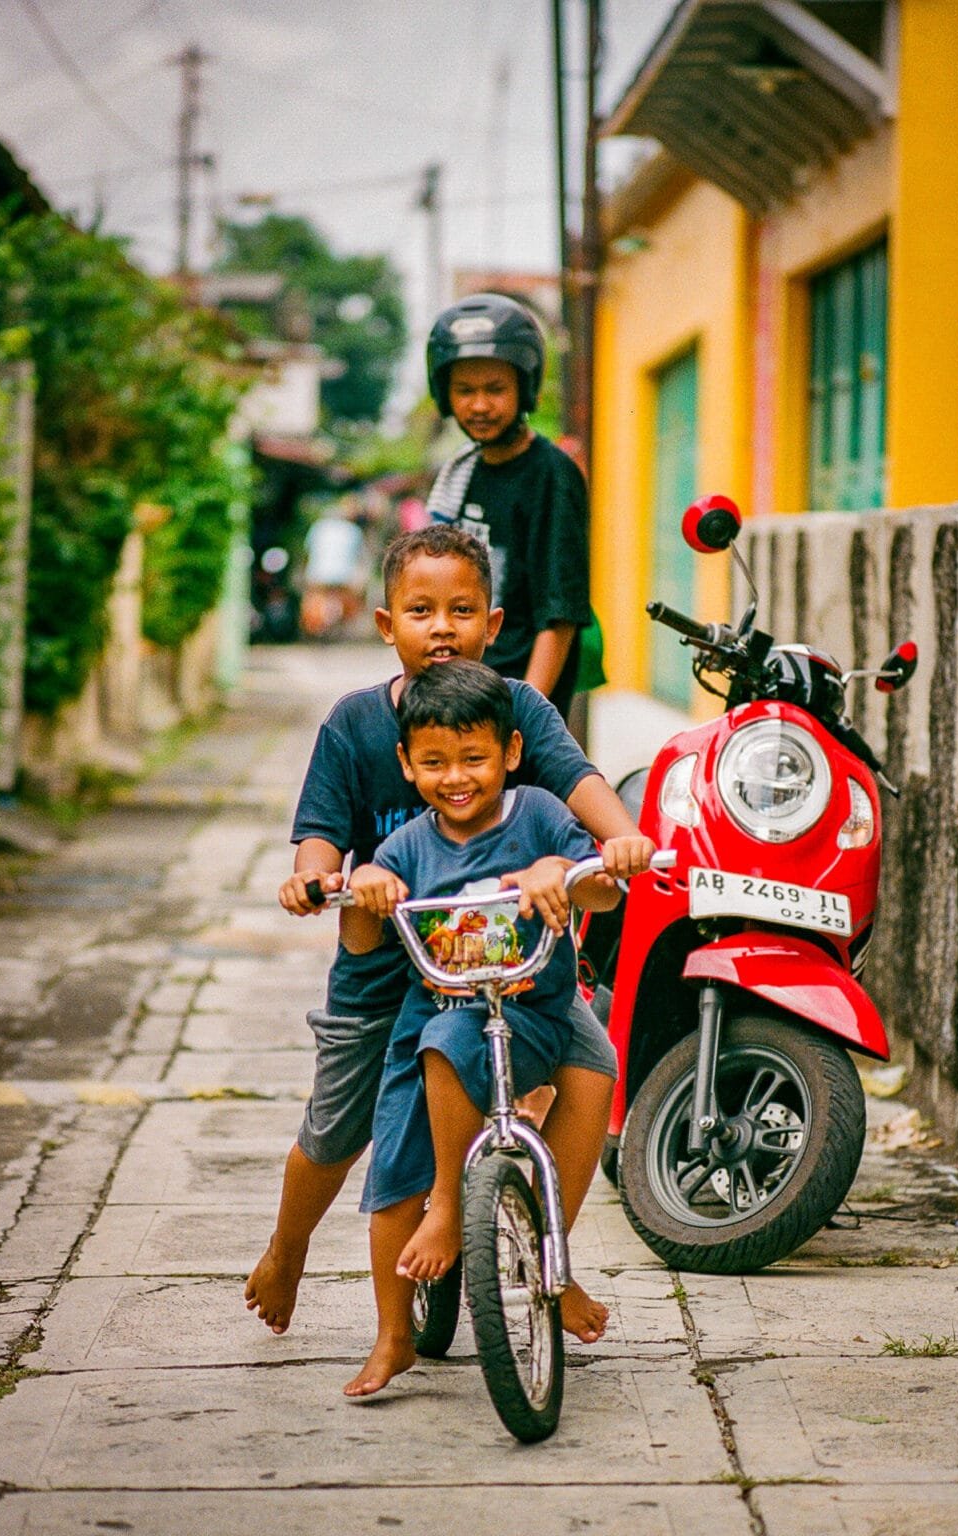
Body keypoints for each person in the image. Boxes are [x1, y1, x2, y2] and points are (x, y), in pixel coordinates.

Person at [244, 524, 655, 1342]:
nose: (442, 627)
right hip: (387, 959)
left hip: (504, 960)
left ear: (491, 626)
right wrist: (316, 877)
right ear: (386, 624)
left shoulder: (519, 710)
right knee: (338, 1124)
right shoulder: (358, 725)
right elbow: (322, 830)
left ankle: (552, 1260)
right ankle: (287, 1250)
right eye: (421, 610)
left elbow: (578, 785)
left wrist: (624, 843)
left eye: (461, 610)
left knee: (592, 1063)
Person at [340, 661, 622, 1397]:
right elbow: (364, 943)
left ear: (511, 753)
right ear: (407, 764)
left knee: (591, 1082)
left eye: (475, 758)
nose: (456, 777)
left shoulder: (535, 815)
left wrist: (561, 869)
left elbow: (601, 887)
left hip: (529, 1013)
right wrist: (362, 893)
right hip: (431, 1018)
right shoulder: (404, 850)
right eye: (434, 763)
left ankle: (548, 1271)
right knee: (390, 1180)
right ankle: (394, 1334)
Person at [426, 291, 589, 721]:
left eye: (495, 389)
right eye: (465, 390)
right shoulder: (463, 472)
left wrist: (526, 713)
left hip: (514, 702)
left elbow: (560, 613)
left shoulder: (551, 475)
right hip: (457, 692)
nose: (479, 405)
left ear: (525, 386)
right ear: (445, 394)